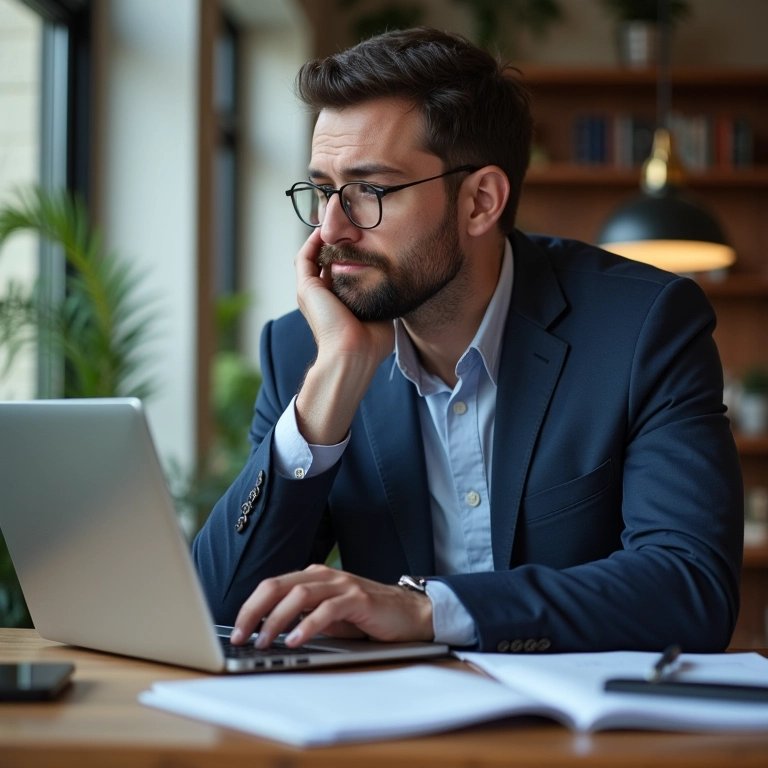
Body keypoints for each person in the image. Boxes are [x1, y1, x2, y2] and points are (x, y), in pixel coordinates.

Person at [192, 28, 743, 654]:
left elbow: (692, 589)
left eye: (370, 190)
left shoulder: (642, 327)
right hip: (389, 734)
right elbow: (221, 609)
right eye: (322, 190)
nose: (331, 228)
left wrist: (431, 610)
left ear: (481, 200)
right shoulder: (305, 350)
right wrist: (336, 377)